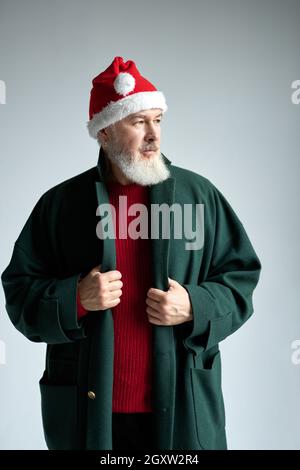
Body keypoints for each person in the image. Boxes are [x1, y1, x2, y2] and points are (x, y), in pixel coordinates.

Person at [1, 56, 261, 451]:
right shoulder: (61, 205)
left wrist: (195, 304)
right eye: (138, 122)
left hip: (182, 410)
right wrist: (76, 298)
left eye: (158, 120)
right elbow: (19, 292)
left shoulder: (198, 196)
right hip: (87, 415)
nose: (153, 135)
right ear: (104, 132)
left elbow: (241, 278)